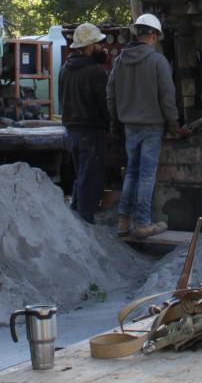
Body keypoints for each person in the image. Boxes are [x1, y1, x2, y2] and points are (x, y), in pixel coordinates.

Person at [107, 12, 182, 238]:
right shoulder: (158, 61)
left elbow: (110, 95)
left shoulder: (119, 61)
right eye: (157, 36)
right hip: (151, 127)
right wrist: (174, 123)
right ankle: (142, 223)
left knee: (131, 172)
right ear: (153, 35)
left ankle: (123, 221)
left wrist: (115, 122)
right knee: (147, 175)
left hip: (129, 126)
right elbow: (167, 97)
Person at [59, 22, 112, 223]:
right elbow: (105, 105)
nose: (102, 47)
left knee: (81, 175)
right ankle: (84, 221)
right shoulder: (95, 72)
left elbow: (62, 100)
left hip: (71, 133)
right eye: (98, 44)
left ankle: (75, 216)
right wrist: (112, 126)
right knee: (90, 179)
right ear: (88, 47)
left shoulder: (65, 69)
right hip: (90, 133)